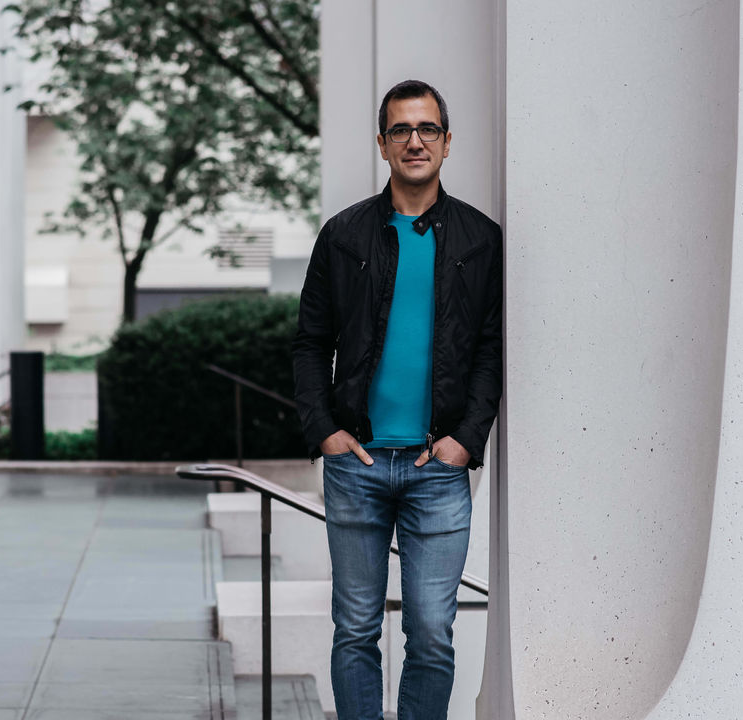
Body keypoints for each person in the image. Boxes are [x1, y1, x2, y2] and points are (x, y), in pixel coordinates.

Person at [292, 79, 502, 719]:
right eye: (402, 130)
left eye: (428, 129)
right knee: (355, 629)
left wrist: (466, 439)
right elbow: (309, 343)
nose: (416, 141)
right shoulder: (345, 235)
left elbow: (492, 349)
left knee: (433, 634)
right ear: (382, 144)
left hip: (437, 470)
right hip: (356, 465)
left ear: (446, 142)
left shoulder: (479, 238)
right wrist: (324, 430)